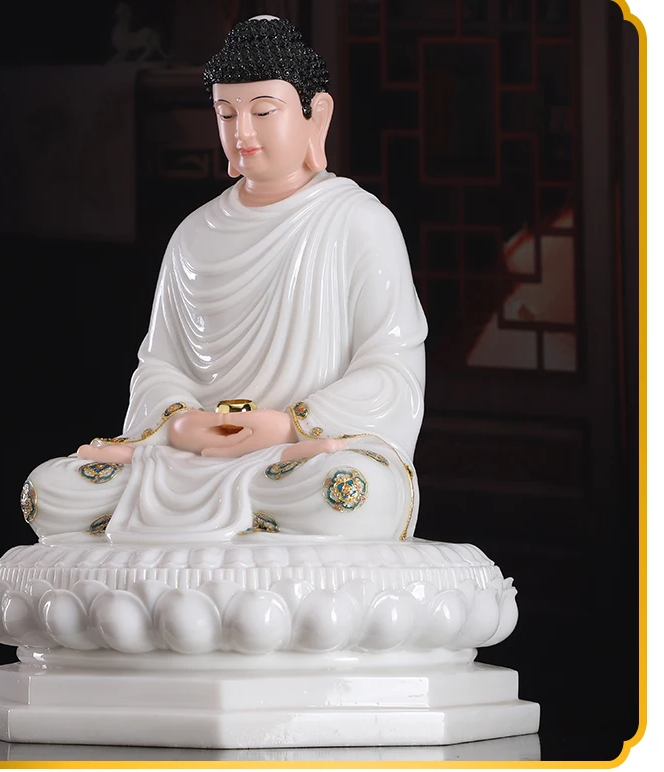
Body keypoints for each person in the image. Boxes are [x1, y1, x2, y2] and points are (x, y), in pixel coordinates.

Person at [21, 16, 427, 545]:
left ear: (317, 115)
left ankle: (222, 522)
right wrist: (180, 424)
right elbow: (159, 363)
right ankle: (246, 526)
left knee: (350, 490)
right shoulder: (193, 235)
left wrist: (286, 425)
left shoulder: (359, 222)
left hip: (295, 457)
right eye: (226, 113)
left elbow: (392, 371)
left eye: (263, 111)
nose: (243, 133)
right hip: (190, 459)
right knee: (49, 491)